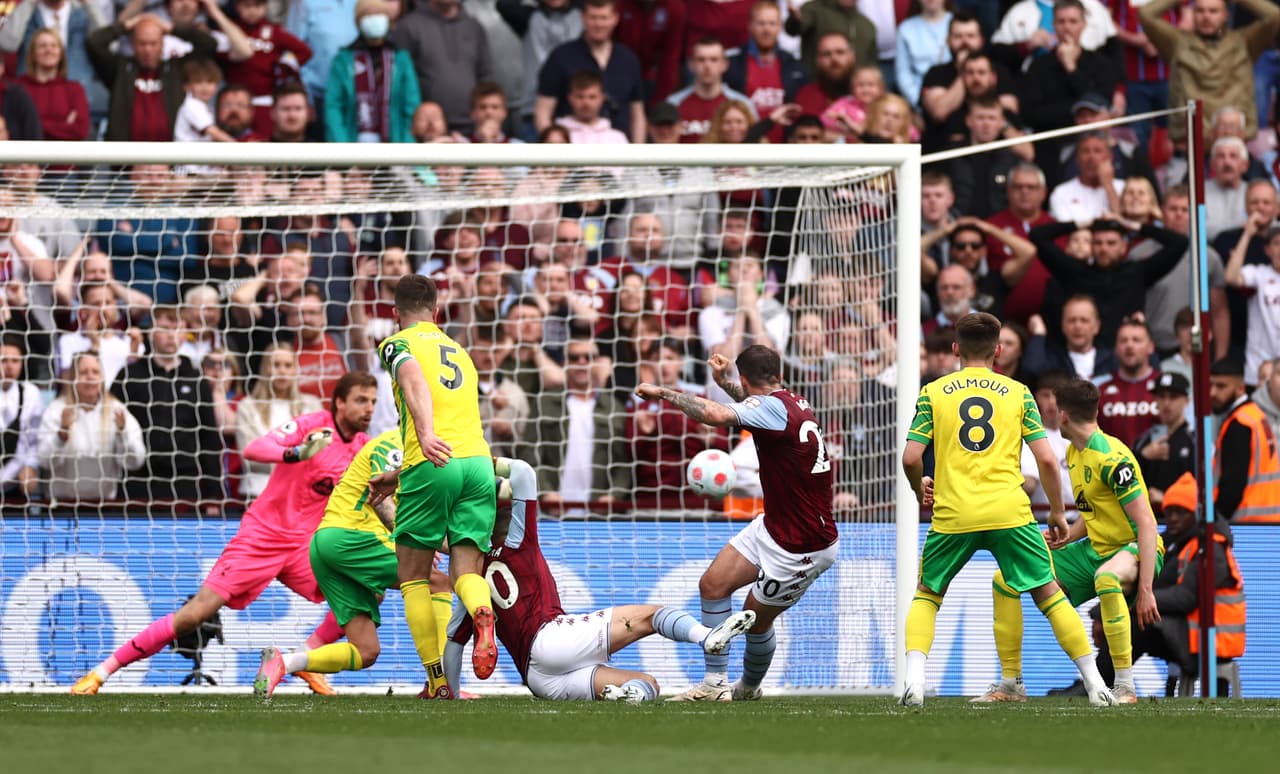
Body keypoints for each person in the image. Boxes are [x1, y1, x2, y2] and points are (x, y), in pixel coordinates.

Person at [70, 372, 378, 695]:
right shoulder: (313, 425)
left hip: (305, 547)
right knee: (194, 614)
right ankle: (101, 672)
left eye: (373, 401)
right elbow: (256, 448)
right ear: (339, 402)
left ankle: (302, 659)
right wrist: (296, 453)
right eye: (361, 400)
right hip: (263, 536)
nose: (369, 408)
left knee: (365, 589)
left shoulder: (364, 449)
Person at [900, 313, 1115, 708]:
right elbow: (1047, 460)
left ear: (955, 349)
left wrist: (919, 489)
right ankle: (1097, 685)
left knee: (928, 594)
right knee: (1049, 594)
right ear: (998, 351)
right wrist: (1056, 512)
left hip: (955, 512)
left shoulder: (934, 392)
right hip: (1010, 512)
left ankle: (913, 681)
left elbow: (911, 457)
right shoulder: (1018, 393)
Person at [442, 456, 755, 702]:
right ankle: (706, 636)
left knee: (647, 683)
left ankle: (625, 695)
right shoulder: (519, 543)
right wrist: (477, 461)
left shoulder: (473, 580)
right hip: (551, 640)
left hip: (537, 679)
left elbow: (455, 640)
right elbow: (523, 471)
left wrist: (453, 694)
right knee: (652, 616)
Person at [635, 344, 839, 702]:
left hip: (802, 546)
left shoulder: (771, 409)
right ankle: (714, 684)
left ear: (745, 379)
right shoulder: (792, 401)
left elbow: (714, 414)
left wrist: (664, 393)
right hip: (774, 526)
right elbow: (753, 405)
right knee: (713, 585)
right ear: (778, 374)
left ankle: (747, 688)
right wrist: (725, 383)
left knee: (755, 621)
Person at [977, 376, 1161, 704]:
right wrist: (1064, 537)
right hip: (1094, 549)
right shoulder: (1074, 453)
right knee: (1004, 580)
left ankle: (1124, 686)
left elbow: (1146, 524)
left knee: (1107, 578)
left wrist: (1146, 589)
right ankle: (1011, 683)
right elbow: (1093, 515)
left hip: (1134, 549)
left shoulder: (1112, 458)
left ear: (1063, 415)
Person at [372, 274, 499, 699]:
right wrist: (396, 477)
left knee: (413, 576)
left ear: (395, 313)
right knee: (465, 572)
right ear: (437, 312)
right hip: (477, 464)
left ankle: (438, 681)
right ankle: (482, 611)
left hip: (431, 461)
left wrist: (425, 434)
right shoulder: (459, 351)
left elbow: (412, 379)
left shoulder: (397, 343)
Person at [253, 429, 453, 697]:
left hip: (328, 546)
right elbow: (379, 499)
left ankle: (285, 662)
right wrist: (415, 541)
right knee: (437, 582)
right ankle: (441, 682)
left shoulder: (422, 453)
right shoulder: (396, 442)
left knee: (366, 651)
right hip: (352, 535)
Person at [1140, 0, 1280, 147]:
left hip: (1235, 144)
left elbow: (1274, 16)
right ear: (1193, 13)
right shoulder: (1176, 43)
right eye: (1200, 11)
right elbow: (1146, 14)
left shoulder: (1244, 42)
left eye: (1213, 11)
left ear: (1226, 14)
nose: (1206, 17)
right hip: (1190, 143)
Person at [37, 351, 146, 503]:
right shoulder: (57, 410)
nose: (90, 377)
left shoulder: (117, 410)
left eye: (95, 372)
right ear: (73, 378)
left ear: (102, 377)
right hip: (63, 505)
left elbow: (136, 462)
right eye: (83, 372)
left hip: (104, 506)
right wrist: (61, 435)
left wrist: (123, 434)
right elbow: (43, 461)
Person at [324, 0, 419, 143]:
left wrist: (406, 145)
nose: (374, 19)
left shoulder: (400, 59)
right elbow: (333, 106)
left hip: (395, 143)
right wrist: (342, 147)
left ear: (388, 20)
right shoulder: (343, 60)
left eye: (379, 15)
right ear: (359, 22)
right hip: (353, 143)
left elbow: (411, 105)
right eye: (368, 15)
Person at [1209, 356, 1280, 523]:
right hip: (1268, 518)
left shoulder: (1240, 424)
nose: (1213, 393)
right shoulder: (1255, 415)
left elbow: (1233, 486)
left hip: (1246, 522)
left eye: (1221, 386)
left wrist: (1217, 519)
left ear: (1240, 388)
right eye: (1211, 385)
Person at [1132, 372, 1195, 508]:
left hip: (1182, 515)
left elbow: (1200, 486)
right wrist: (1143, 456)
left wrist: (1167, 498)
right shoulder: (1143, 440)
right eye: (1161, 396)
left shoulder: (1194, 440)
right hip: (1147, 516)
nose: (1166, 403)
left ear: (1186, 400)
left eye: (1173, 397)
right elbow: (1126, 479)